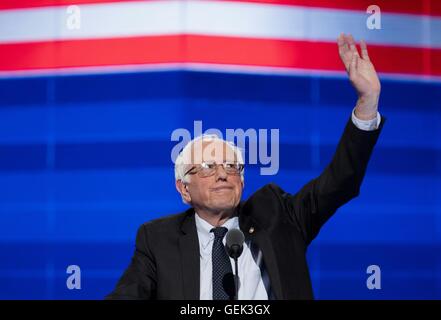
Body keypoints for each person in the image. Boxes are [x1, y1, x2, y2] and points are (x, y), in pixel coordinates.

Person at [106, 33, 385, 300]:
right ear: (184, 189)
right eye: (206, 167)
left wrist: (367, 101)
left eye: (232, 165)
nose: (222, 174)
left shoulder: (278, 217)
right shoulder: (158, 239)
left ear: (242, 180)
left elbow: (340, 182)